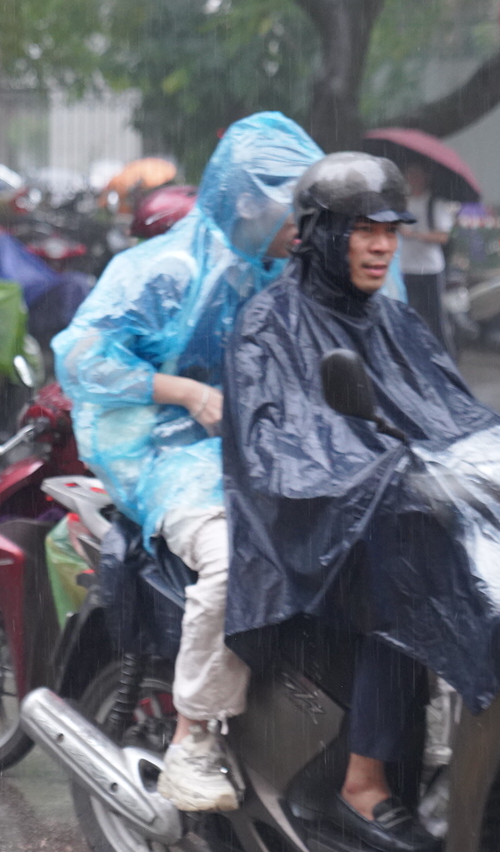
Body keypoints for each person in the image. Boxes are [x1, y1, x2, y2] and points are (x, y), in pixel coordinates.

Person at [222, 151, 500, 852]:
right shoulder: (268, 326)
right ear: (320, 233)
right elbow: (276, 461)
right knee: (402, 576)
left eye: (391, 231)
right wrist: (379, 481)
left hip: (408, 506)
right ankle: (363, 781)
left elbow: (456, 416)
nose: (383, 246)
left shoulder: (395, 322)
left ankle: (470, 761)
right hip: (312, 537)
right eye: (365, 230)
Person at [51, 112, 324, 812]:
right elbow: (80, 356)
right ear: (244, 200)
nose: (298, 222)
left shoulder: (283, 276)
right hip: (157, 450)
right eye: (287, 204)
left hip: (250, 452)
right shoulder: (165, 270)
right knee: (237, 560)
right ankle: (194, 736)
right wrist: (184, 392)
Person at [399, 161, 457, 350]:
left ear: (425, 179)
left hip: (430, 269)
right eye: (410, 176)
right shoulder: (402, 204)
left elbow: (443, 236)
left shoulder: (435, 204)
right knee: (406, 314)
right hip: (406, 267)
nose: (413, 180)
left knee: (436, 317)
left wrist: (415, 235)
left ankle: (446, 356)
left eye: (417, 176)